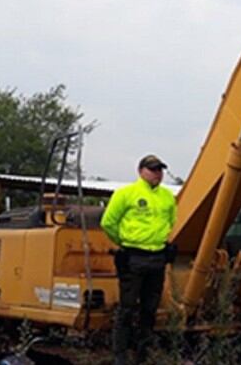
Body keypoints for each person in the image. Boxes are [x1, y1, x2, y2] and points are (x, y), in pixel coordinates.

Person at [101, 154, 177, 365]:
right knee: (126, 309)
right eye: (153, 169)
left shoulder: (167, 196)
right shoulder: (126, 194)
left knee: (149, 309)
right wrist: (123, 242)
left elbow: (171, 222)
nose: (157, 174)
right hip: (133, 258)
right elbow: (108, 222)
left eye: (160, 170)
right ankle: (120, 356)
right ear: (141, 171)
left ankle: (142, 355)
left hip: (157, 259)